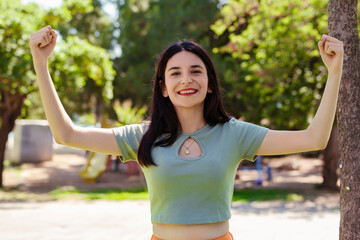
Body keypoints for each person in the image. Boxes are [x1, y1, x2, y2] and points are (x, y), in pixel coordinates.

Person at [29, 26, 343, 240]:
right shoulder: (142, 136)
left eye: (196, 71)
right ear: (163, 88)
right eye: (175, 73)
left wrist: (334, 72)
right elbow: (66, 134)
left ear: (209, 83)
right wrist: (41, 64)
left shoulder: (234, 134)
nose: (186, 80)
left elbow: (313, 139)